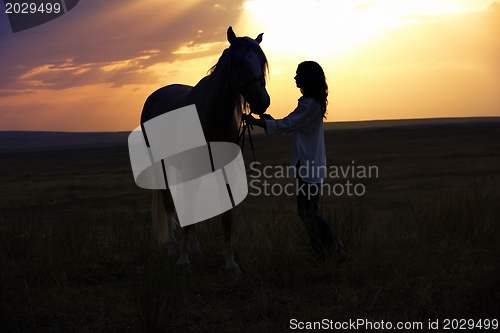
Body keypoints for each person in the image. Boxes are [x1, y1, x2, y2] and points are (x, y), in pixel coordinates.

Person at [245, 61, 347, 263]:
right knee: (308, 213)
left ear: (307, 78)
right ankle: (322, 254)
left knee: (308, 213)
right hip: (312, 165)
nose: (295, 77)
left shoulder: (308, 104)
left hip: (309, 166)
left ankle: (336, 248)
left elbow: (287, 124)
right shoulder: (312, 103)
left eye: (298, 74)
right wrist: (269, 121)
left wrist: (258, 122)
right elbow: (289, 122)